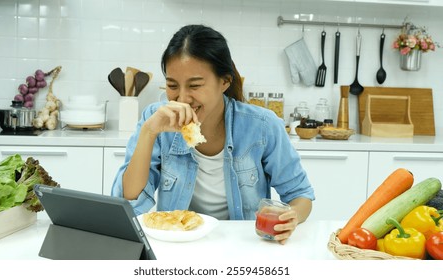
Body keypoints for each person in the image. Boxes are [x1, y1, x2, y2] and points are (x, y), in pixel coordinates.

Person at [112, 24, 315, 244]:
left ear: (225, 81)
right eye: (172, 85)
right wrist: (149, 132)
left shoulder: (262, 126)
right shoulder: (156, 119)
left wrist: (292, 217)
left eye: (195, 85)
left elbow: (300, 195)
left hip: (243, 246)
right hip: (179, 244)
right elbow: (129, 199)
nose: (182, 98)